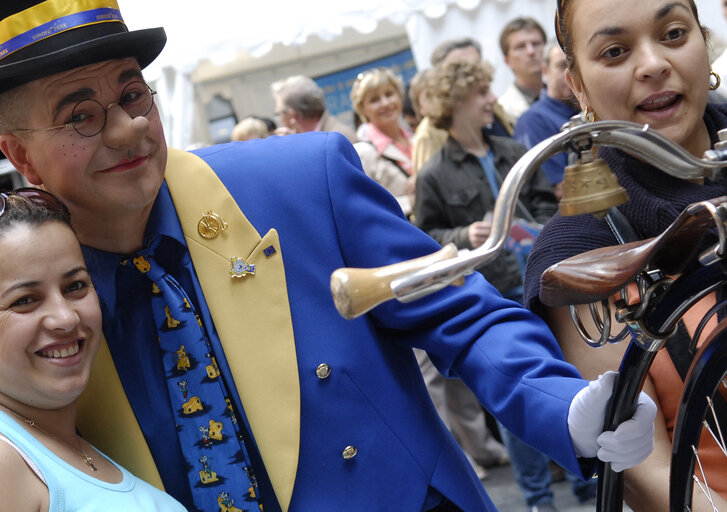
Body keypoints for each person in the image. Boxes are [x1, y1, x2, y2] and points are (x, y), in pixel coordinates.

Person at [0, 2, 656, 511]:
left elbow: (463, 315)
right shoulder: (39, 311)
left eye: (133, 93)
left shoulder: (298, 180)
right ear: (18, 154)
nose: (128, 128)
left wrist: (561, 407)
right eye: (81, 116)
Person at [524, 0, 727, 510]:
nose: (654, 63)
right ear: (578, 85)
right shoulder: (582, 254)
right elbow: (645, 468)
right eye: (615, 51)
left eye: (675, 34)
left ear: (705, 42)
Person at [415, 59, 578, 512]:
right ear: (456, 103)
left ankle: (584, 482)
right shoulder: (434, 174)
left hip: (543, 283)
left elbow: (548, 206)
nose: (492, 99)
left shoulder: (511, 149)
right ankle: (538, 500)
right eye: (481, 92)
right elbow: (424, 237)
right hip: (491, 293)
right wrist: (459, 236)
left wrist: (542, 229)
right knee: (514, 395)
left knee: (564, 377)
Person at [0, 188, 186, 511]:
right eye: (25, 300)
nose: (65, 317)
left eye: (75, 286)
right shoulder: (7, 462)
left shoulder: (67, 442)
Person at [514, 41, 580, 200]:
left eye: (575, 65)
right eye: (562, 65)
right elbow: (560, 190)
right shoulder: (533, 121)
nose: (570, 73)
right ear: (545, 71)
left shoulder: (589, 110)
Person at [351, 67, 415, 217]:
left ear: (400, 96)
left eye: (389, 94)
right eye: (374, 100)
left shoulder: (416, 139)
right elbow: (367, 207)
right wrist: (410, 202)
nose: (385, 103)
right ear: (362, 109)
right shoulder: (361, 153)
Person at [496, 18, 547, 133]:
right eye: (521, 46)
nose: (531, 51)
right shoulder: (504, 110)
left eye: (536, 44)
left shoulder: (566, 95)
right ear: (507, 61)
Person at [271, 74, 357, 142]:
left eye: (279, 114)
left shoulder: (336, 140)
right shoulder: (329, 135)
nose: (280, 120)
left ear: (292, 115)